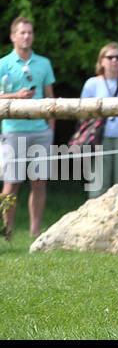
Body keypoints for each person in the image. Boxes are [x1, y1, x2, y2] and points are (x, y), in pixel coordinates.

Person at [0, 15, 56, 239]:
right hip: (13, 131)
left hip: (40, 131)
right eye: (22, 32)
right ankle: (8, 232)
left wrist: (50, 128)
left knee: (39, 182)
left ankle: (35, 232)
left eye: (30, 32)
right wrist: (17, 96)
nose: (27, 36)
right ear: (13, 36)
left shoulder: (44, 63)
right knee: (11, 184)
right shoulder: (3, 63)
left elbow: (51, 99)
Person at [80, 42, 118, 198]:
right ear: (101, 61)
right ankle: (95, 220)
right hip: (100, 139)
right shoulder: (91, 84)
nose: (114, 60)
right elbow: (82, 113)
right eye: (110, 57)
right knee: (98, 185)